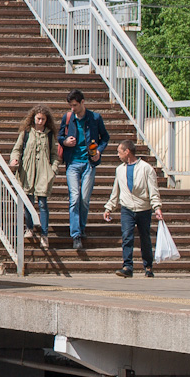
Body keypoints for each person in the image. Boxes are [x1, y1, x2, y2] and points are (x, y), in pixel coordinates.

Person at [103, 139, 163, 278]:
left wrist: (157, 207)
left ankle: (148, 266)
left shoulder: (146, 168)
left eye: (119, 152)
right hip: (127, 208)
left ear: (127, 151)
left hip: (144, 208)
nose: (118, 155)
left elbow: (153, 189)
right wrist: (109, 207)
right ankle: (127, 266)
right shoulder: (120, 169)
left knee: (145, 238)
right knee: (127, 236)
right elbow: (115, 191)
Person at [59, 89, 109, 250]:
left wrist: (99, 151)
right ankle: (76, 235)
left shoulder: (95, 118)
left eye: (75, 105)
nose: (73, 109)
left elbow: (105, 137)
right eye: (70, 106)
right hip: (72, 162)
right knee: (74, 198)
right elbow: (59, 136)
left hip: (89, 163)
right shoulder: (67, 118)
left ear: (82, 102)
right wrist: (65, 141)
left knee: (84, 199)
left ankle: (81, 227)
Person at [9, 105, 59, 248]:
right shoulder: (26, 132)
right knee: (28, 202)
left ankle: (44, 234)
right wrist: (14, 160)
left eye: (43, 119)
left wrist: (53, 169)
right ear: (33, 118)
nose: (40, 121)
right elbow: (17, 149)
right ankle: (29, 228)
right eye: (38, 118)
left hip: (44, 173)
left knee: (43, 203)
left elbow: (55, 154)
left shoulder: (49, 135)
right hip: (27, 171)